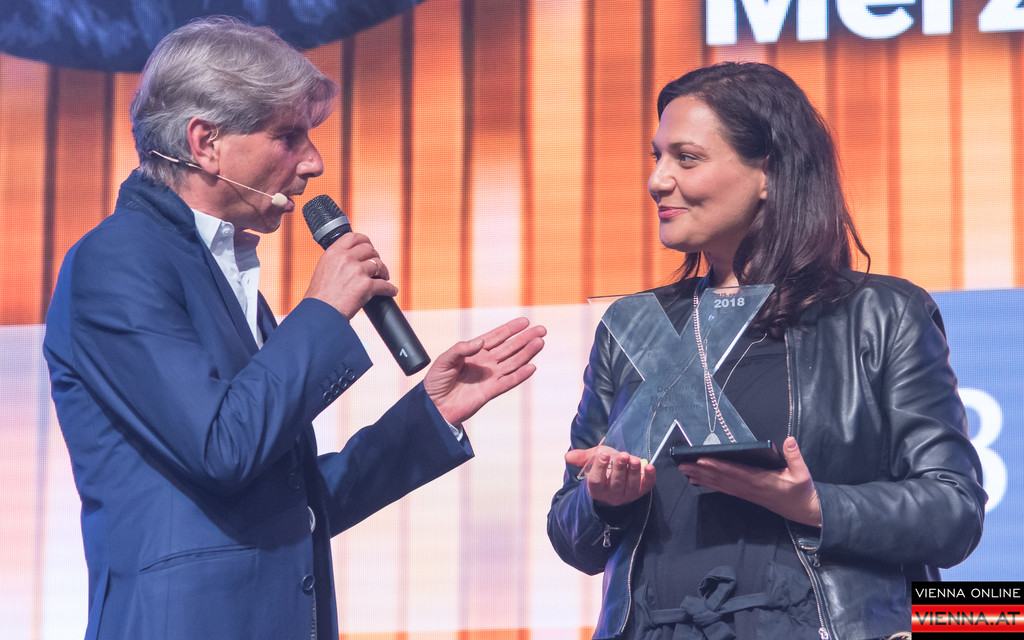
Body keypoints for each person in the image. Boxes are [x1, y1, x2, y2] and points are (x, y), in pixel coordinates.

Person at [43, 16, 545, 640]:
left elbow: (292, 508)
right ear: (205, 142)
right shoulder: (116, 260)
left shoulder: (225, 276)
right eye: (287, 136)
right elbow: (222, 449)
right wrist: (323, 311)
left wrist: (429, 417)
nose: (314, 163)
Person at [547, 62, 986, 640]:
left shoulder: (880, 314)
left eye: (687, 158)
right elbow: (571, 536)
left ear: (769, 174)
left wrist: (814, 504)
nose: (657, 179)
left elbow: (954, 511)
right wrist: (602, 500)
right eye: (656, 157)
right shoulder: (635, 324)